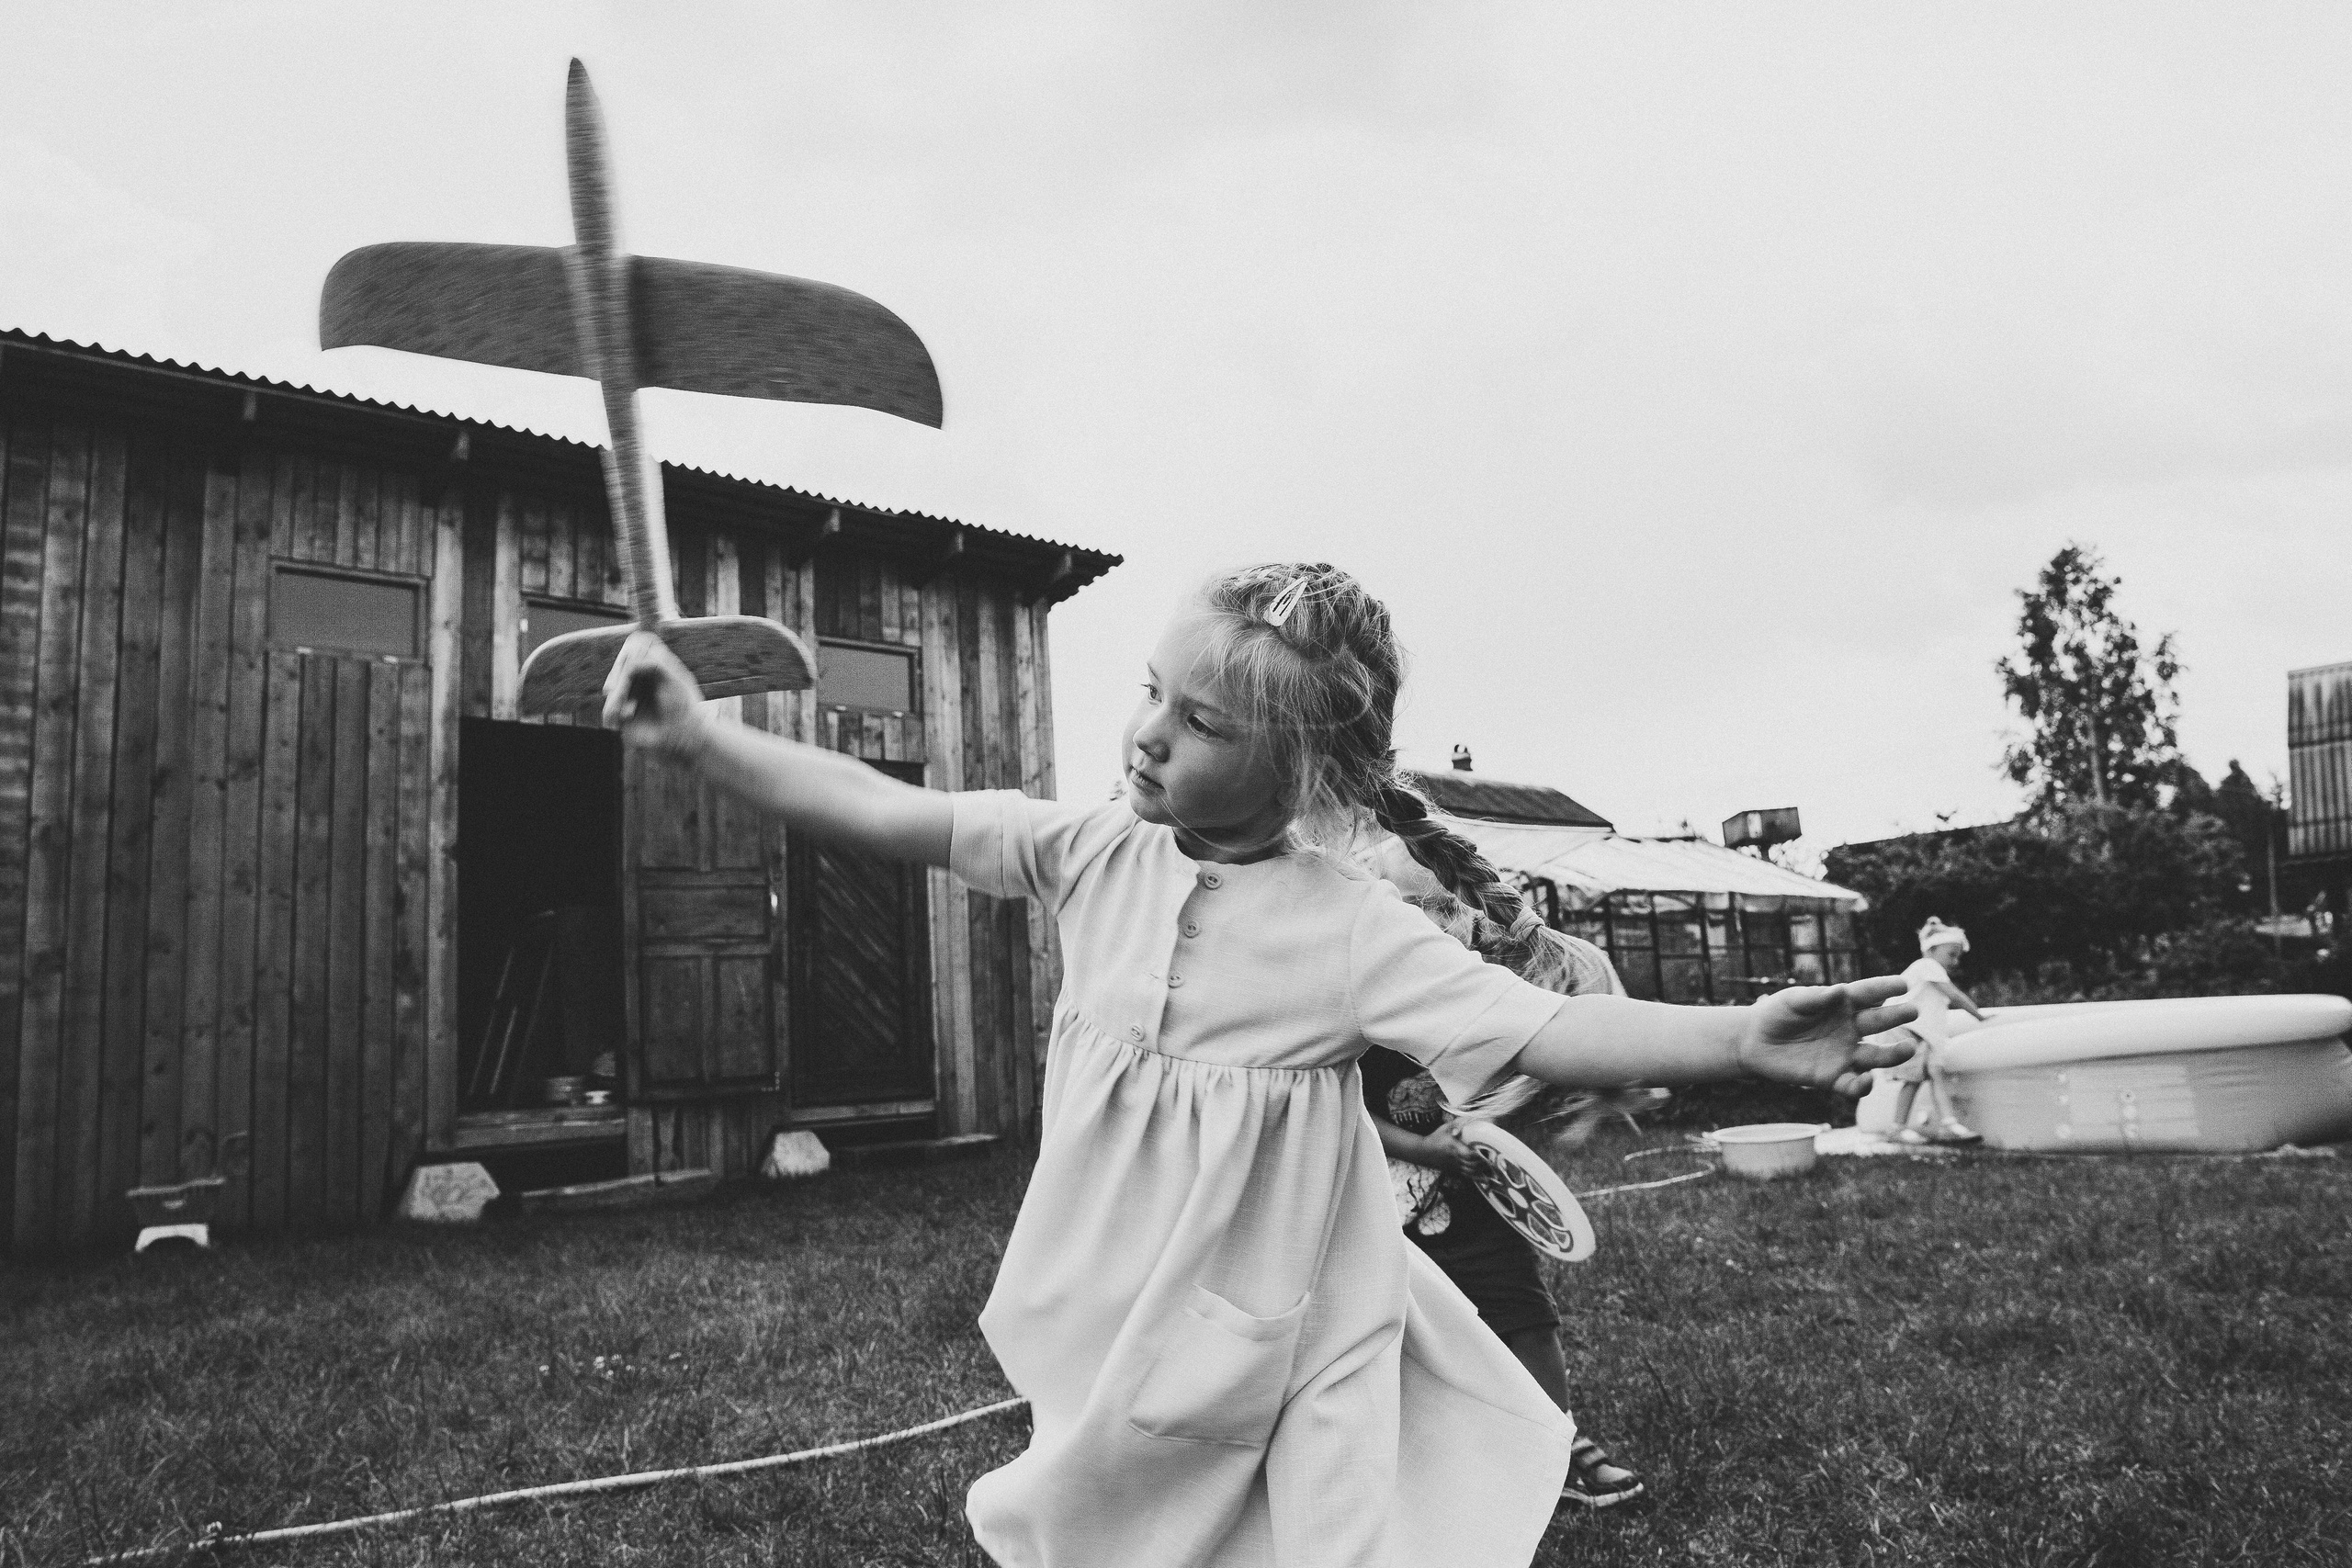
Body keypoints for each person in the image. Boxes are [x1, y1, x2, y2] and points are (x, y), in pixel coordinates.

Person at [604, 562, 1916, 1568]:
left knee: (1321, 1531)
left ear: (1303, 763)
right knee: (1110, 1521)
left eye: (1203, 719)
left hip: (1293, 1315)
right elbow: (892, 810)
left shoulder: (1348, 927)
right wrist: (709, 740)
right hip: (1122, 1298)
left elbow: (1541, 1025)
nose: (1151, 735)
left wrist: (1741, 1032)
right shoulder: (1089, 850)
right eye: (1151, 692)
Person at [1357, 836, 1646, 1511]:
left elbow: (1529, 1055)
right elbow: (1346, 1115)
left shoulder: (1472, 993)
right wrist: (1427, 1150)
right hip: (1382, 1205)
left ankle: (1558, 1449)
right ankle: (1424, 1462)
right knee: (1400, 1336)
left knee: (1522, 1312)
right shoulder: (1356, 1008)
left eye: (1440, 917)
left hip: (1477, 1193)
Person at [1889, 916, 1985, 1144]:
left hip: (1918, 1032)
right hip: (1906, 1029)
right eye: (1951, 954)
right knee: (1913, 1079)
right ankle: (1897, 1128)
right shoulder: (1927, 966)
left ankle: (1949, 1124)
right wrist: (1979, 1016)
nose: (1955, 961)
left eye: (1958, 956)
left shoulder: (1928, 969)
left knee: (1936, 1073)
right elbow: (1954, 995)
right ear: (1930, 951)